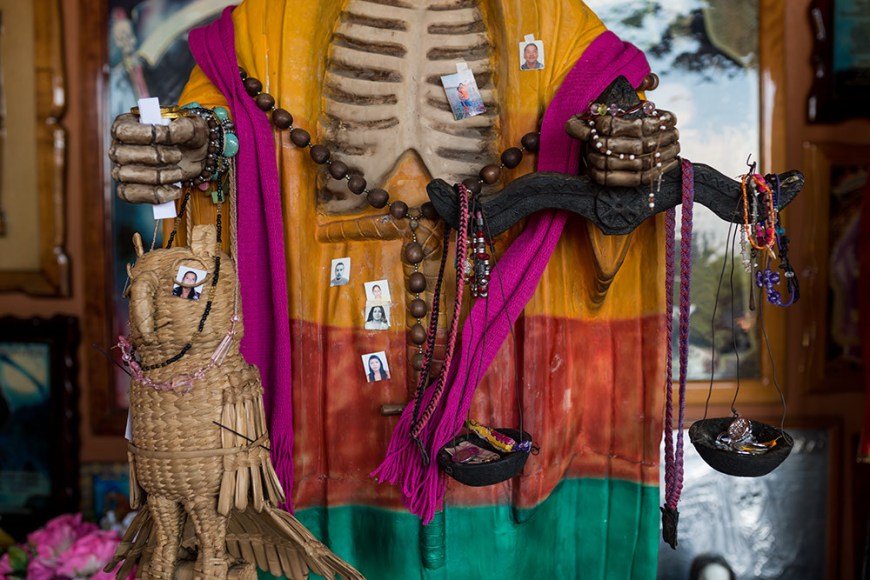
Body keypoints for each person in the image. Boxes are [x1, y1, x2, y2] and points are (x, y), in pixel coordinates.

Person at [109, 1, 671, 577]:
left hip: (502, 311)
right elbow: (216, 120)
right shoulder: (268, 22)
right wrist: (193, 145)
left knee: (511, 538)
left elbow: (614, 106)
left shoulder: (548, 17)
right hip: (324, 332)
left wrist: (624, 143)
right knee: (331, 511)